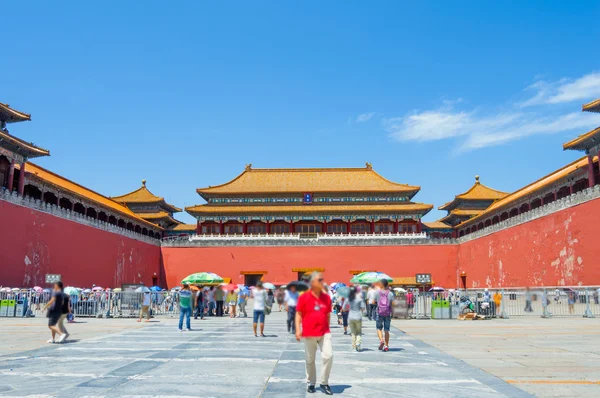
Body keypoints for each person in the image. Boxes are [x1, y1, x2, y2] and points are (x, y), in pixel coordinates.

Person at [295, 272, 333, 395]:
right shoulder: (303, 297)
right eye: (319, 280)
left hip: (324, 332)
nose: (322, 282)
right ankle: (311, 382)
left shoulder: (326, 297)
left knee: (328, 355)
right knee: (310, 359)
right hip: (309, 332)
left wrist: (327, 329)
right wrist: (297, 329)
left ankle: (324, 382)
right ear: (312, 283)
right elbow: (298, 314)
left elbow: (327, 314)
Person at [376, 279, 394, 352]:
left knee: (379, 328)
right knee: (386, 330)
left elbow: (374, 301)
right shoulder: (390, 293)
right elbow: (392, 304)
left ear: (381, 285)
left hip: (379, 312)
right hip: (387, 313)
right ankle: (386, 346)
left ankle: (381, 341)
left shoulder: (377, 293)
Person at [348, 286, 366, 352]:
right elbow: (363, 307)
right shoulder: (359, 298)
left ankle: (354, 346)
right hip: (358, 316)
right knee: (358, 332)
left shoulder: (349, 299)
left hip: (351, 317)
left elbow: (344, 307)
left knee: (353, 332)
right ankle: (358, 343)